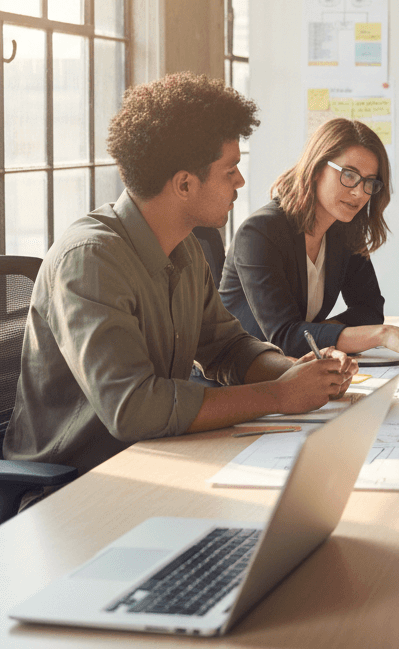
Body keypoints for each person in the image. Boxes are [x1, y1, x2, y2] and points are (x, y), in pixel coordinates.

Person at [3, 73, 357, 475]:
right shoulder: (90, 261)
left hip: (156, 459)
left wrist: (298, 372)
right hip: (73, 484)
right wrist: (279, 396)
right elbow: (134, 409)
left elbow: (225, 347)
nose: (241, 181)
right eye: (230, 170)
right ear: (185, 184)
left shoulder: (184, 247)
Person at [220, 118, 399, 365]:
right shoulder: (260, 232)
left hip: (293, 373)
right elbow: (285, 337)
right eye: (349, 175)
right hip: (238, 379)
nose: (359, 192)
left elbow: (370, 310)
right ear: (316, 168)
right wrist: (381, 335)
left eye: (369, 182)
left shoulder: (343, 231)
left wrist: (319, 332)